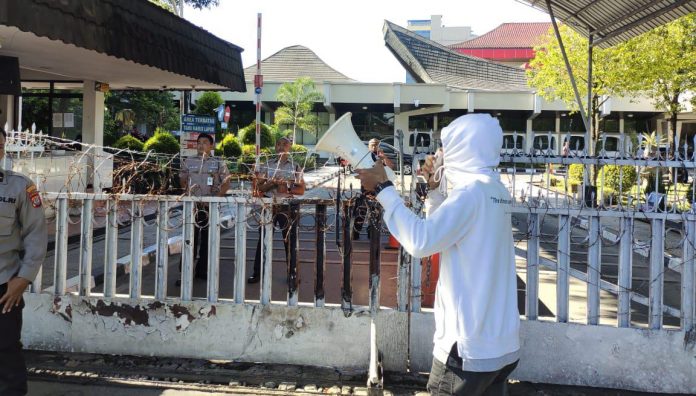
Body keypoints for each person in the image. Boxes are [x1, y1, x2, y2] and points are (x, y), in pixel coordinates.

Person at [356, 114, 520, 396]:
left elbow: (421, 241)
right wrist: (434, 190)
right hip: (500, 345)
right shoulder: (494, 189)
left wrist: (384, 189)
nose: (439, 154)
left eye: (446, 147)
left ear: (463, 148)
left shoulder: (470, 194)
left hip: (466, 350)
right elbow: (448, 232)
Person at [0, 164, 47, 395]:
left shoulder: (20, 186)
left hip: (5, 286)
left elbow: (36, 233)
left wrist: (24, 277)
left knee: (6, 351)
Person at [248, 137, 305, 284]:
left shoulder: (295, 166)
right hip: (268, 205)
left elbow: (301, 190)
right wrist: (271, 183)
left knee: (290, 241)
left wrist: (286, 187)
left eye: (284, 144)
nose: (281, 147)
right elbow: (257, 189)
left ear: (289, 147)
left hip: (287, 206)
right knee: (264, 241)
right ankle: (257, 273)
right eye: (278, 144)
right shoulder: (266, 165)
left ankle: (292, 274)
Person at [178, 134, 230, 284]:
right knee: (189, 239)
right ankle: (185, 273)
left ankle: (202, 271)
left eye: (205, 143)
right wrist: (187, 192)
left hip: (210, 206)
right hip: (192, 205)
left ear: (212, 146)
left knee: (208, 240)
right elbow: (182, 179)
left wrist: (216, 198)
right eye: (199, 143)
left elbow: (226, 182)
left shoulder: (218, 163)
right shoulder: (189, 161)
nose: (201, 145)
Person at [352, 138, 393, 240]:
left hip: (378, 190)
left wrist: (384, 157)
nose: (374, 147)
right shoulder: (364, 157)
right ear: (369, 146)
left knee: (374, 214)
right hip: (365, 190)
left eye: (376, 145)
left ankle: (372, 234)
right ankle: (355, 233)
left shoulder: (380, 157)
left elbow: (391, 167)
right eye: (372, 145)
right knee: (360, 212)